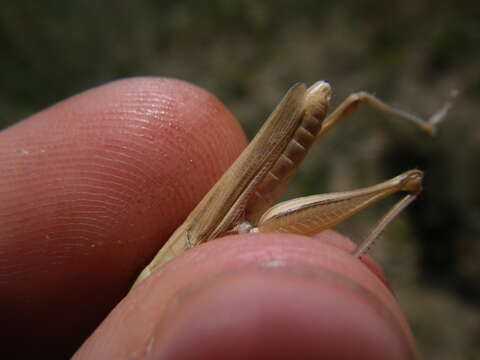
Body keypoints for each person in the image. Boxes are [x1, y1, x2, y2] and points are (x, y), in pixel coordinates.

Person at [0, 78, 417, 359]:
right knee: (393, 176)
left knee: (395, 173)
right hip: (245, 216)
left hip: (241, 202)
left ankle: (420, 134)